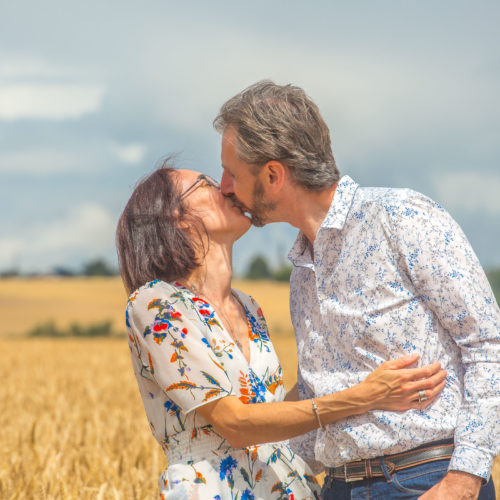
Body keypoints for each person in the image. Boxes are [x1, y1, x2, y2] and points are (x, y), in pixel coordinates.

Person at [214, 80, 500, 500]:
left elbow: (488, 344)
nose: (223, 186)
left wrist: (464, 480)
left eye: (232, 172)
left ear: (274, 175)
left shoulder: (401, 216)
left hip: (426, 478)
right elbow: (323, 395)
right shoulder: (302, 268)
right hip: (338, 487)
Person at [116, 163, 447, 499]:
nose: (227, 188)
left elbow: (270, 406)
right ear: (177, 218)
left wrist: (361, 361)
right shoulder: (156, 304)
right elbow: (236, 424)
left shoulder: (248, 306)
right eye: (205, 184)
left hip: (284, 485)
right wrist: (364, 396)